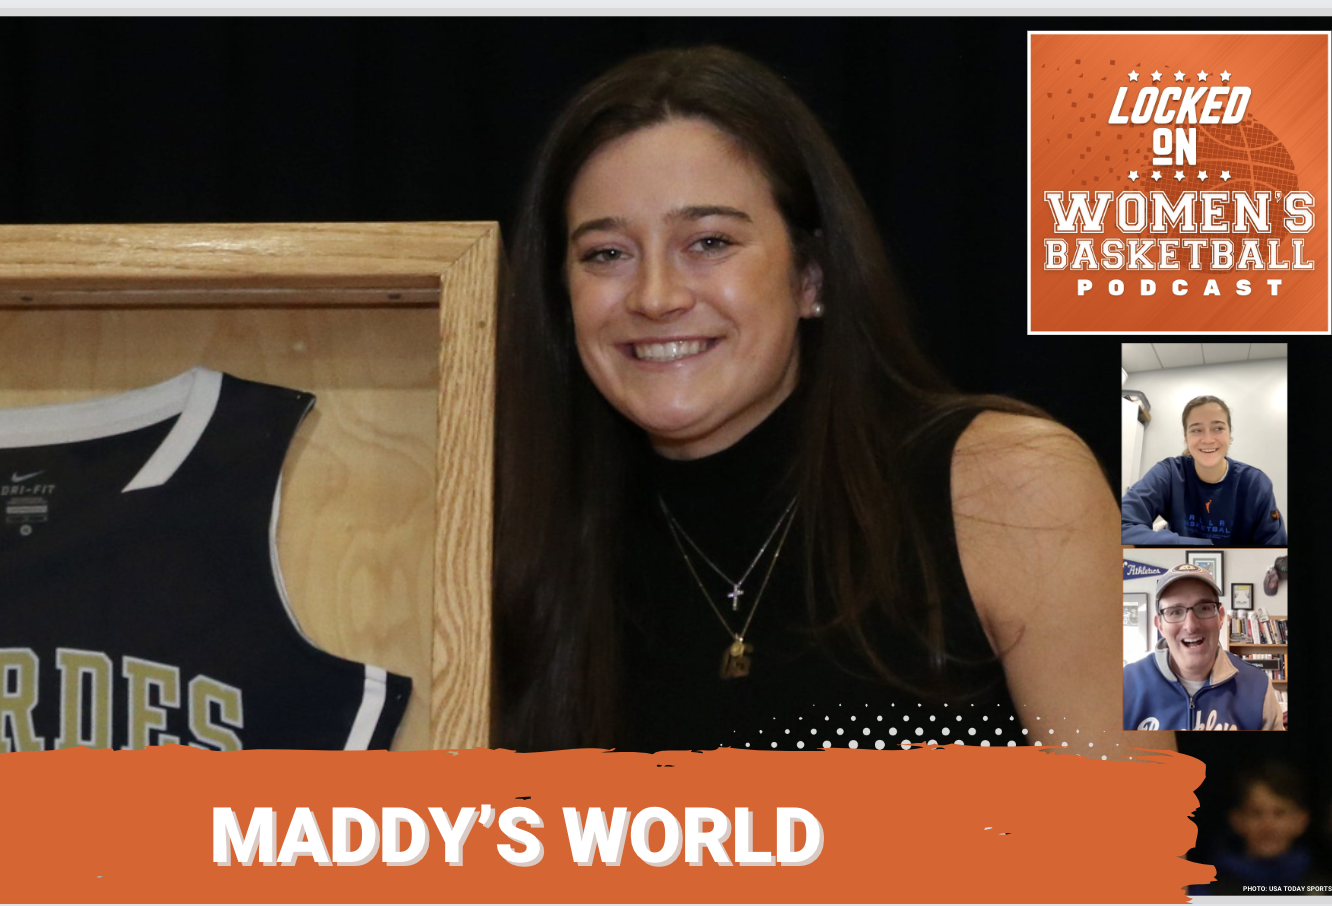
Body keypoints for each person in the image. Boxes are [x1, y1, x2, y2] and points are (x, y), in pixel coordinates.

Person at [493, 46, 1161, 754]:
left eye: (710, 241)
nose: (656, 296)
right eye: (606, 254)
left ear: (811, 276)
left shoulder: (1014, 486)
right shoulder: (517, 540)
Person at [1124, 564, 1284, 731]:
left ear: (1221, 617)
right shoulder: (1125, 685)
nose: (1191, 626)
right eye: (1175, 612)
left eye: (1204, 608)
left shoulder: (1258, 686)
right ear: (1160, 626)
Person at [1121, 395, 1286, 545]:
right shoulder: (1169, 473)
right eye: (1196, 430)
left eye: (1218, 428)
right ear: (1186, 438)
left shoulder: (1256, 484)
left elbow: (1275, 550)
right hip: (1181, 570)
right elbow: (1120, 525)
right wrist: (1203, 547)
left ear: (1230, 435)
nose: (1207, 439)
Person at [1189, 762, 1330, 895]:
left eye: (1279, 813)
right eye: (1256, 813)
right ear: (1237, 820)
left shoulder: (1321, 889)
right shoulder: (1206, 891)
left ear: (1301, 820)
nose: (1268, 826)